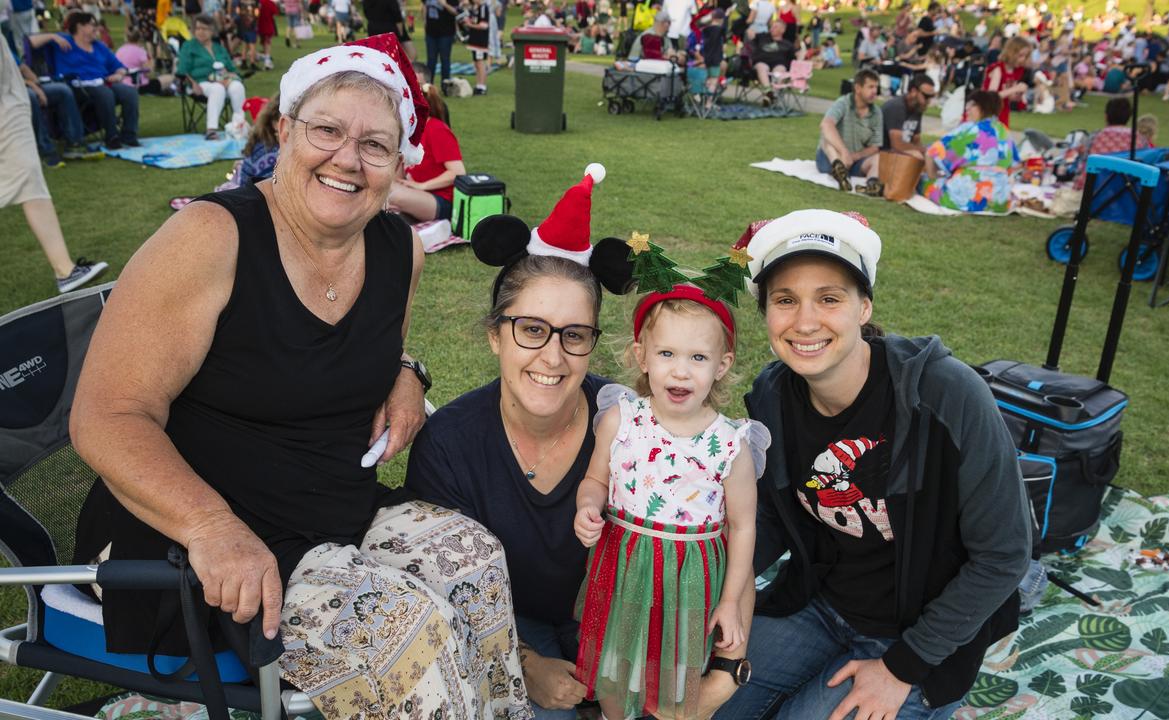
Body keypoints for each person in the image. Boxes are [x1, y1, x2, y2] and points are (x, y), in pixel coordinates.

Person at [67, 34, 531, 719]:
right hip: (189, 532)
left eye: (376, 145)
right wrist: (209, 525)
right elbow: (106, 415)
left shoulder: (398, 248)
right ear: (284, 130)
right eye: (327, 130)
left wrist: (408, 372)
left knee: (474, 559)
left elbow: (352, 358)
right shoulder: (211, 237)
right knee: (403, 636)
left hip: (325, 507)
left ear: (398, 164)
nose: (348, 158)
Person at [406, 168, 734, 720]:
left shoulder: (639, 426)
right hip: (507, 623)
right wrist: (525, 661)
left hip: (629, 622)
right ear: (494, 334)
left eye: (574, 335)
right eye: (531, 329)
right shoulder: (450, 445)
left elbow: (719, 524)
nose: (553, 358)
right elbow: (432, 593)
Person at [713, 208, 1030, 720]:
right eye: (785, 300)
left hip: (920, 638)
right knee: (704, 694)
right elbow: (772, 514)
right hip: (819, 606)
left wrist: (903, 668)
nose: (806, 321)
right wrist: (717, 585)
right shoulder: (773, 397)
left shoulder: (945, 394)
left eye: (830, 298)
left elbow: (1005, 554)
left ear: (864, 308)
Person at [574, 284, 768, 720]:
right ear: (642, 356)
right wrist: (588, 506)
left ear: (723, 365)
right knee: (617, 660)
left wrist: (731, 600)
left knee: (677, 671)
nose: (681, 372)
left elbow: (743, 526)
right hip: (626, 562)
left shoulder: (731, 444)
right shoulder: (621, 420)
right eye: (667, 355)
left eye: (698, 358)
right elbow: (594, 480)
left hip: (690, 575)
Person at [2, 41, 109, 293]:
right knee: (28, 176)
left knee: (29, 178)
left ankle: (64, 270)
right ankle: (64, 270)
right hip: (6, 102)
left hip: (7, 97)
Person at [29, 14, 141, 150]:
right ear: (80, 26)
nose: (97, 28)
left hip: (103, 82)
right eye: (92, 25)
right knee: (104, 93)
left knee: (129, 92)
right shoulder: (64, 41)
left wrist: (119, 74)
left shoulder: (99, 46)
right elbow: (30, 42)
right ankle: (112, 137)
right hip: (76, 86)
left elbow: (119, 66)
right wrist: (52, 36)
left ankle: (129, 136)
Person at [919, 90, 1020, 213]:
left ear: (982, 107)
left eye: (971, 104)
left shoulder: (970, 129)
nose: (967, 109)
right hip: (1000, 201)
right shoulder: (1005, 131)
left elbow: (932, 153)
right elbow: (1015, 165)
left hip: (967, 198)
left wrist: (932, 177)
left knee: (922, 181)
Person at [390, 82, 463, 222]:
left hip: (442, 201)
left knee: (388, 193)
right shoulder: (409, 133)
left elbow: (458, 172)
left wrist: (422, 186)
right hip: (419, 196)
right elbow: (399, 177)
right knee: (379, 186)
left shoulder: (436, 129)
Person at [177, 14, 247, 140]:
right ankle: (211, 130)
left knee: (237, 86)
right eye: (198, 28)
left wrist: (231, 75)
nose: (200, 32)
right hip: (200, 83)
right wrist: (193, 84)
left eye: (204, 29)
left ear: (212, 31)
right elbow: (182, 70)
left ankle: (239, 125)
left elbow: (232, 68)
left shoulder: (219, 48)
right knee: (217, 89)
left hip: (223, 80)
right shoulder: (188, 46)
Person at [817, 68, 882, 191]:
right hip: (830, 159)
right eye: (870, 87)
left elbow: (875, 146)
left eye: (876, 87)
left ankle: (872, 185)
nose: (875, 91)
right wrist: (844, 152)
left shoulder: (876, 112)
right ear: (858, 88)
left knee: (878, 157)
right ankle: (840, 171)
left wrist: (854, 156)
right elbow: (826, 124)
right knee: (826, 139)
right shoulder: (843, 103)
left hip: (855, 160)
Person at [1073, 96, 1151, 190]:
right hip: (1127, 194)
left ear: (1106, 116)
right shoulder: (1140, 140)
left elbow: (1083, 164)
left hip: (1093, 192)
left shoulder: (1096, 136)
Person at [982, 33, 1031, 128]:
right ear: (1012, 53)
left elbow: (1007, 95)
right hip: (989, 111)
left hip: (1003, 111)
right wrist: (1015, 89)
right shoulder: (998, 69)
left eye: (1026, 56)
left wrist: (1018, 96)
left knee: (1002, 139)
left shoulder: (1016, 71)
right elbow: (991, 96)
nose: (1023, 59)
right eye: (1021, 55)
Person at [880, 74, 934, 158]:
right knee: (917, 155)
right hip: (883, 153)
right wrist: (923, 150)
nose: (929, 101)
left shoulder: (917, 108)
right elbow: (897, 145)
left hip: (899, 154)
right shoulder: (896, 107)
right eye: (926, 96)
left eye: (931, 97)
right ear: (913, 91)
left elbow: (916, 141)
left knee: (929, 158)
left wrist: (927, 152)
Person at [750, 20, 801, 104]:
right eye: (772, 26)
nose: (772, 28)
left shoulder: (787, 44)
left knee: (780, 70)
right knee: (762, 66)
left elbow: (798, 55)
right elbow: (749, 33)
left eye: (775, 27)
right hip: (761, 63)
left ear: (782, 30)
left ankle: (771, 94)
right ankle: (768, 91)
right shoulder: (763, 37)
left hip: (779, 64)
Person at [422, 0, 457, 85]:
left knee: (445, 60)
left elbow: (456, 11)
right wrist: (424, 22)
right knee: (431, 60)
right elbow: (424, 6)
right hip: (430, 32)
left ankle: (445, 86)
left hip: (446, 33)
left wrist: (444, 4)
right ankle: (428, 86)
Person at [461, 0, 489, 94]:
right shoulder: (475, 7)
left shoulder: (483, 7)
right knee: (476, 63)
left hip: (480, 40)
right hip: (475, 39)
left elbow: (484, 25)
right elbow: (475, 20)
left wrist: (470, 25)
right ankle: (478, 84)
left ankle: (482, 86)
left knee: (480, 63)